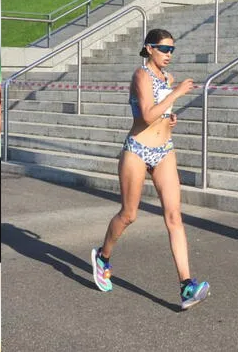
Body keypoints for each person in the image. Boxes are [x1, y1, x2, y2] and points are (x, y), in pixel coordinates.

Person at [90, 28, 209, 310]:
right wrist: (176, 95)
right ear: (149, 48)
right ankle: (103, 257)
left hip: (164, 151)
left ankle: (186, 285)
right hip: (138, 150)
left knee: (174, 216)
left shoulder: (168, 78)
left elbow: (160, 113)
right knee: (129, 214)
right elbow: (145, 115)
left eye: (172, 50)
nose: (169, 55)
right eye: (164, 49)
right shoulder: (141, 75)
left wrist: (170, 118)